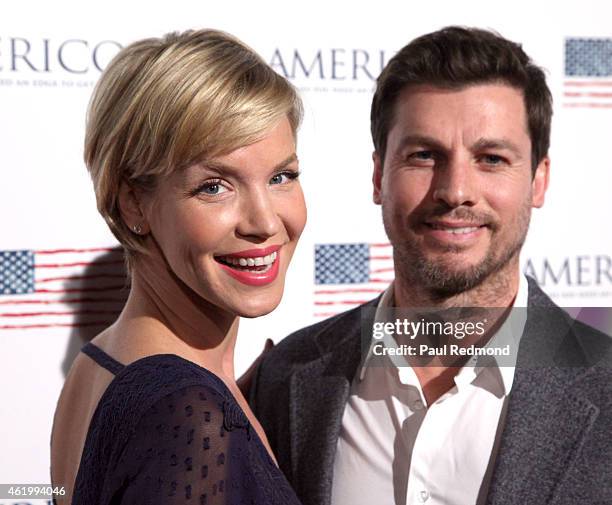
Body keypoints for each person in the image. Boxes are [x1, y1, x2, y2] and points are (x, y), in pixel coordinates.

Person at [250, 27, 612, 505]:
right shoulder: (286, 379)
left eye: (491, 158)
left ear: (538, 181)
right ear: (379, 176)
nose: (455, 190)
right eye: (424, 155)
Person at [50, 29, 306, 505]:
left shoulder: (102, 360)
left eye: (281, 177)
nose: (266, 221)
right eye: (214, 186)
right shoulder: (189, 416)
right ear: (133, 204)